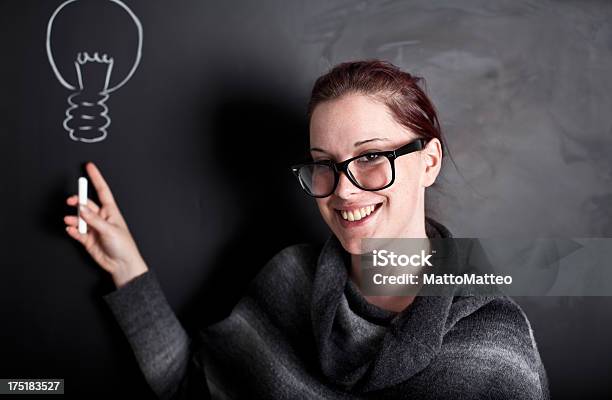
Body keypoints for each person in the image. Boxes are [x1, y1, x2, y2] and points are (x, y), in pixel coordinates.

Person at [64, 59, 549, 399]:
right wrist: (129, 267)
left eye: (372, 158)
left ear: (429, 162)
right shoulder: (290, 278)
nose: (343, 191)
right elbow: (191, 387)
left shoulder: (491, 342)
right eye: (325, 165)